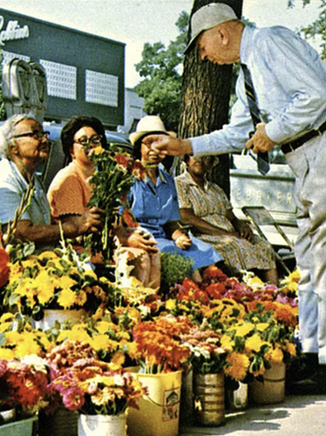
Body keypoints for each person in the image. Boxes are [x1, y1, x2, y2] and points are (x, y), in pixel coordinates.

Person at [146, 2, 326, 383]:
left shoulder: (270, 42)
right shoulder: (248, 76)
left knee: (319, 259)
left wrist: (272, 132)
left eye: (203, 45)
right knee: (310, 260)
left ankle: (320, 357)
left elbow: (316, 95)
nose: (204, 55)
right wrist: (185, 146)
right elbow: (236, 133)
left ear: (222, 33)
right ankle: (313, 355)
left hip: (319, 150)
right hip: (304, 161)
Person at [48, 115, 161, 288]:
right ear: (71, 149)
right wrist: (123, 240)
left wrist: (127, 234)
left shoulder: (101, 177)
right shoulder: (69, 179)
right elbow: (74, 233)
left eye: (95, 140)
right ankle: (134, 308)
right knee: (139, 257)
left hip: (104, 244)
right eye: (83, 141)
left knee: (153, 251)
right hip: (80, 252)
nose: (90, 145)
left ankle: (152, 305)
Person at [0, 113, 102, 248]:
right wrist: (75, 227)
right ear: (13, 147)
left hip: (32, 258)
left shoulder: (32, 178)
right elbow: (22, 233)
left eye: (44, 134)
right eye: (36, 135)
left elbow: (44, 227)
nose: (45, 140)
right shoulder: (2, 181)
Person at [129, 116, 222, 281]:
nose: (154, 150)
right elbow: (123, 221)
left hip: (164, 238)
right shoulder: (128, 178)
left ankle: (216, 292)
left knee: (204, 249)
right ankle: (196, 294)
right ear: (139, 147)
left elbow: (171, 224)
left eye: (160, 145)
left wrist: (179, 236)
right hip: (143, 238)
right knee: (184, 263)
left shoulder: (167, 180)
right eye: (149, 144)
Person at [176, 154, 277, 283]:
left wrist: (241, 226)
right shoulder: (180, 184)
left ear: (211, 164)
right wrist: (226, 234)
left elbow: (231, 217)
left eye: (206, 157)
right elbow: (187, 218)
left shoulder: (216, 189)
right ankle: (242, 291)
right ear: (186, 159)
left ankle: (275, 291)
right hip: (203, 235)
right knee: (236, 246)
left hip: (229, 234)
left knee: (262, 245)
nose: (200, 160)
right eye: (194, 156)